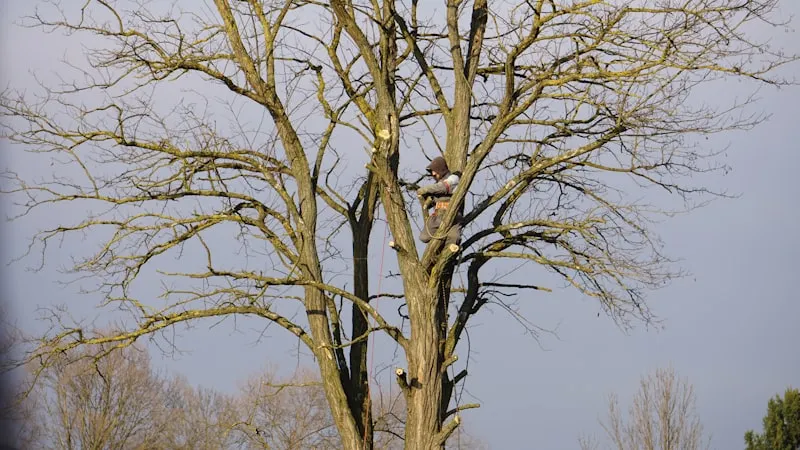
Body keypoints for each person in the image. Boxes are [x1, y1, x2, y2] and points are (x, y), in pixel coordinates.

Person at [416, 156, 462, 247]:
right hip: (437, 217)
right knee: (424, 237)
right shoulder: (436, 185)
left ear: (440, 169)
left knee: (454, 240)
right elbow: (431, 202)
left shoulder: (453, 179)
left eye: (434, 171)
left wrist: (424, 189)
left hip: (453, 217)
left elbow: (444, 187)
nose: (433, 174)